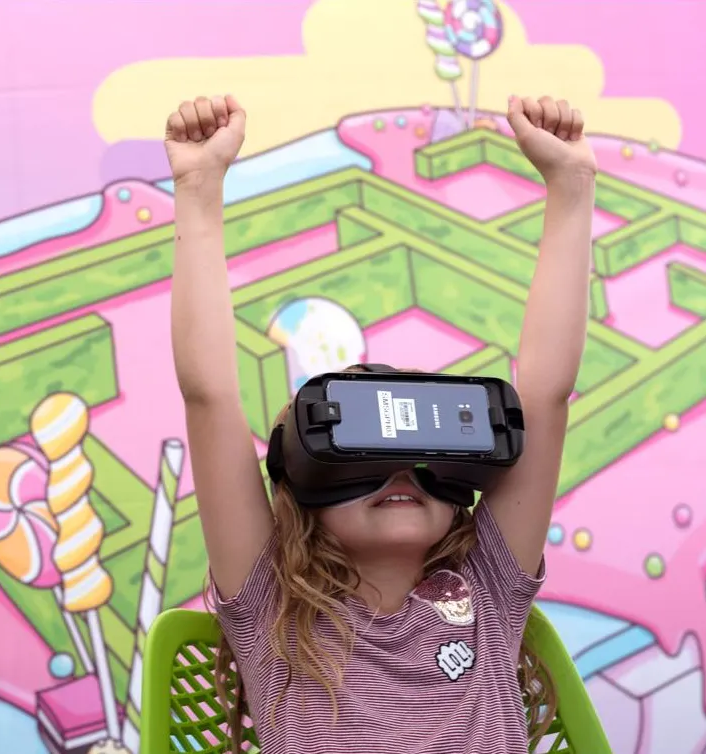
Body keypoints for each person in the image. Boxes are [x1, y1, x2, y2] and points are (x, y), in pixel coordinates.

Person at [165, 94, 596, 753]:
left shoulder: (488, 585)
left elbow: (543, 394)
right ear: (302, 483)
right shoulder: (270, 608)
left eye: (424, 454)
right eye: (359, 453)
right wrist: (198, 191)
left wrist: (571, 187)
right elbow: (210, 397)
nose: (400, 471)